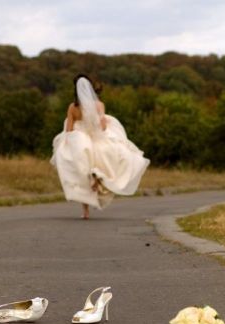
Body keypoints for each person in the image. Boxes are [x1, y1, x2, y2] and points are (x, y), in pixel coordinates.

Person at [50, 74, 150, 219]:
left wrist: (68, 143)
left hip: (80, 141)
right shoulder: (98, 105)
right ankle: (98, 176)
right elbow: (102, 128)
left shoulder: (72, 107)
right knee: (109, 162)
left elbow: (69, 130)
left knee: (80, 175)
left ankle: (85, 211)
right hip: (97, 140)